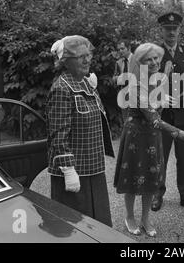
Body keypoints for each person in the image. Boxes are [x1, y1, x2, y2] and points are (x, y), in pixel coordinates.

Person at [114, 43, 184, 237]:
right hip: (136, 138)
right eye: (149, 59)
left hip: (152, 138)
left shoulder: (159, 81)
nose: (154, 62)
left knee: (151, 179)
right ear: (140, 62)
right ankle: (129, 216)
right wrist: (182, 134)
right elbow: (154, 119)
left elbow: (160, 110)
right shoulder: (137, 85)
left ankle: (145, 218)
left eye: (156, 58)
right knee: (132, 180)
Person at [46, 35, 115, 227]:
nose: (86, 60)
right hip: (75, 171)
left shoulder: (86, 82)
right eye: (79, 57)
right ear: (66, 62)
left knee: (98, 223)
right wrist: (68, 170)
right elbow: (58, 133)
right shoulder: (61, 88)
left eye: (88, 55)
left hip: (93, 167)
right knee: (75, 227)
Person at [151, 11, 184, 213]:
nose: (171, 33)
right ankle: (157, 193)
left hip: (182, 115)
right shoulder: (154, 54)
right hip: (162, 115)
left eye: (174, 29)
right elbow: (146, 83)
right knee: (160, 157)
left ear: (180, 30)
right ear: (161, 30)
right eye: (167, 29)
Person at [112, 40, 133, 121]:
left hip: (136, 95)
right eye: (119, 49)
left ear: (129, 48)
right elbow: (114, 78)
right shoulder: (119, 62)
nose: (120, 51)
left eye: (122, 48)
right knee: (126, 121)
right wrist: (117, 78)